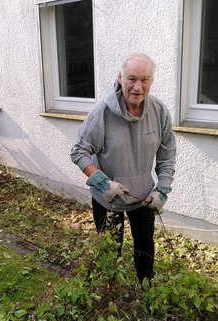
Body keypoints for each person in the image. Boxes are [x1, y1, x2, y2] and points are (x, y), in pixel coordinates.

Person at [70, 52, 176, 285]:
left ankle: (146, 288)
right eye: (132, 79)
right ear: (120, 78)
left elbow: (167, 156)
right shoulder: (102, 113)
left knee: (145, 247)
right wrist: (100, 182)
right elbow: (79, 151)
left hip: (143, 197)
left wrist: (163, 190)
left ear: (152, 81)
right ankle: (109, 292)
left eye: (145, 80)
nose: (138, 87)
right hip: (108, 196)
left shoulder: (159, 112)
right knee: (109, 249)